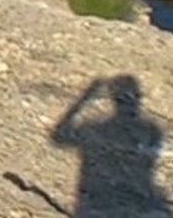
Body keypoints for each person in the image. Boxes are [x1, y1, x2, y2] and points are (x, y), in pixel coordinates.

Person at [52, 75, 169, 217]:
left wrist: (84, 99)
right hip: (132, 201)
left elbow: (59, 137)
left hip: (98, 202)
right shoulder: (151, 130)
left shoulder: (94, 129)